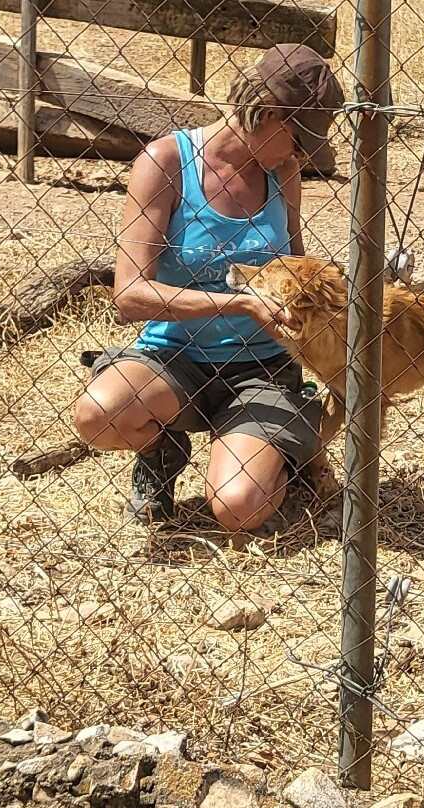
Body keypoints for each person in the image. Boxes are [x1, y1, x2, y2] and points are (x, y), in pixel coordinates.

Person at [73, 44, 344, 530]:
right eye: (299, 139)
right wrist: (240, 304)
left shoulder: (283, 171)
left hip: (263, 367)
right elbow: (130, 295)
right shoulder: (166, 162)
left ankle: (281, 446)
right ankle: (161, 451)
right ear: (268, 114)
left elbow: (296, 265)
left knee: (239, 509)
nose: (302, 155)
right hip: (174, 358)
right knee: (98, 416)